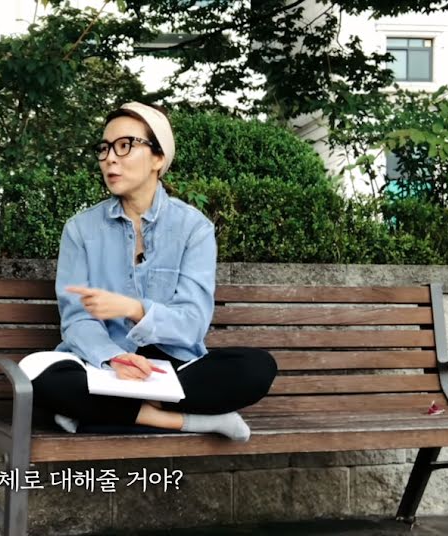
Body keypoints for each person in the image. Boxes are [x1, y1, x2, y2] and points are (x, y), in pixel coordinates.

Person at [19, 102, 278, 441]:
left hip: (175, 369)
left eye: (125, 145)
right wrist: (114, 358)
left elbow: (192, 323)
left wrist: (133, 309)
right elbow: (77, 320)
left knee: (257, 368)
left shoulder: (194, 228)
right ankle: (192, 421)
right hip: (104, 366)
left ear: (158, 158)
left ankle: (93, 415)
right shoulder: (80, 229)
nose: (110, 158)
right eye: (104, 148)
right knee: (39, 377)